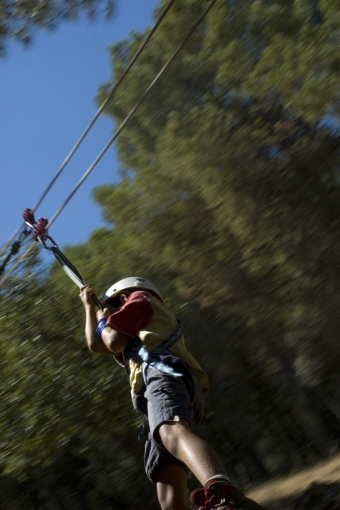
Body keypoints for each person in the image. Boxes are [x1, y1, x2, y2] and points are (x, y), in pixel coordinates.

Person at [79, 276, 264, 510]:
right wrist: (89, 309)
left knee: (169, 431)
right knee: (165, 476)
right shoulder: (142, 325)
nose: (111, 317)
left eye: (113, 309)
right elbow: (97, 344)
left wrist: (104, 321)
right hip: (161, 388)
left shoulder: (139, 300)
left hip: (164, 375)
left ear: (124, 298)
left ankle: (226, 495)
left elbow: (112, 341)